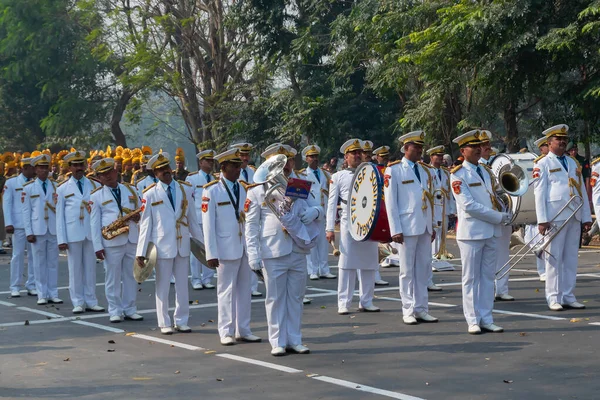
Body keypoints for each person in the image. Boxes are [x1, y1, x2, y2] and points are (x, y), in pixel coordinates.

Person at [245, 143, 321, 356]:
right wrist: (253, 255)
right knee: (276, 298)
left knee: (296, 297)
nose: (286, 166)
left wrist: (315, 212)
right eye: (281, 162)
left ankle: (295, 339)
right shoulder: (258, 191)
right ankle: (277, 341)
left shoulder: (300, 184)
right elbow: (250, 226)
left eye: (289, 162)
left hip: (298, 246)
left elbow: (318, 206)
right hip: (273, 249)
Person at [451, 130, 511, 334]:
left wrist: (506, 211)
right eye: (473, 146)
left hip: (491, 231)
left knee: (487, 277)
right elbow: (469, 205)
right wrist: (498, 217)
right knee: (470, 278)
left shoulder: (486, 171)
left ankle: (486, 317)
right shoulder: (458, 175)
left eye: (479, 146)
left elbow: (494, 197)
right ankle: (472, 319)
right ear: (463, 150)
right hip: (471, 233)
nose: (478, 149)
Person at [136, 152, 203, 334]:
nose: (165, 172)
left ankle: (181, 320)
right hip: (162, 246)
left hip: (182, 244)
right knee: (163, 285)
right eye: (160, 170)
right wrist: (141, 252)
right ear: (155, 174)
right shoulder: (150, 194)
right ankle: (164, 322)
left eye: (166, 168)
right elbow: (145, 225)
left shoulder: (185, 189)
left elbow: (193, 220)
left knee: (182, 285)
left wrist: (203, 247)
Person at [203, 148, 261, 346]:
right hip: (225, 247)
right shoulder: (212, 190)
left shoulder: (245, 188)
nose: (239, 169)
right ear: (223, 167)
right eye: (234, 166)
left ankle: (243, 329)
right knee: (226, 291)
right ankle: (225, 331)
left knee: (245, 290)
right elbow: (208, 225)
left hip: (245, 245)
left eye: (239, 165)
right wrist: (211, 253)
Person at [534, 124, 592, 311]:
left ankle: (568, 295)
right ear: (549, 143)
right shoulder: (542, 163)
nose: (562, 142)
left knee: (570, 258)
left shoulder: (573, 162)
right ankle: (553, 297)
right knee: (553, 259)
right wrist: (542, 219)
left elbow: (581, 190)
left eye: (564, 139)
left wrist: (586, 217)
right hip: (555, 216)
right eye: (558, 139)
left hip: (573, 215)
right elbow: (539, 193)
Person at [384, 131, 438, 325]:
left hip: (423, 226)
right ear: (406, 149)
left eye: (421, 148)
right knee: (406, 271)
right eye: (416, 148)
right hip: (405, 227)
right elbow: (391, 202)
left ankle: (422, 308)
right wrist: (395, 229)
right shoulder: (394, 170)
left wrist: (432, 225)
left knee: (423, 269)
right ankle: (408, 309)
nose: (419, 151)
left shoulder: (425, 170)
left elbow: (430, 199)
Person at [326, 139, 380, 315]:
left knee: (370, 262)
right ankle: (344, 302)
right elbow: (332, 203)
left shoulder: (371, 172)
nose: (357, 156)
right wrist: (329, 228)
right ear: (346, 157)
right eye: (353, 154)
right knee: (347, 263)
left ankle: (366, 300)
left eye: (359, 153)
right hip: (349, 220)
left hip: (370, 220)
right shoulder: (338, 176)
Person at [90, 158, 143, 323]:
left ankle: (130, 308)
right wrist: (97, 246)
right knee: (112, 277)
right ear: (98, 178)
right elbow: (94, 223)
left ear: (115, 172)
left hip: (132, 237)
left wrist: (138, 217)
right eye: (102, 174)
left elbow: (142, 210)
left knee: (131, 275)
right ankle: (115, 310)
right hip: (111, 240)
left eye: (109, 172)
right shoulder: (96, 196)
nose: (107, 176)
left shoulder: (132, 190)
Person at [56, 150, 104, 314]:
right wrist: (61, 238)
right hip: (72, 231)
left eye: (81, 165)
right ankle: (77, 301)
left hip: (90, 231)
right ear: (69, 167)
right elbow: (59, 216)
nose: (78, 168)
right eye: (75, 165)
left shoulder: (95, 185)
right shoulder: (62, 189)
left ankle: (91, 300)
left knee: (90, 268)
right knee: (75, 269)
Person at [22, 154, 62, 305]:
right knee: (39, 263)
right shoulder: (29, 188)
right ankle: (41, 294)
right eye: (40, 168)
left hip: (52, 229)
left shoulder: (56, 186)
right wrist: (29, 232)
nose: (43, 171)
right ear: (35, 170)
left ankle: (53, 292)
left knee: (53, 262)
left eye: (45, 168)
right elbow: (26, 211)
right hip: (37, 229)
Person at [298, 145, 336, 281]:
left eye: (316, 156)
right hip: (310, 212)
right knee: (311, 242)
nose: (314, 159)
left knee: (323, 242)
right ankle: (312, 269)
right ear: (306, 159)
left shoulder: (326, 174)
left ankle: (324, 269)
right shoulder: (301, 175)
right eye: (311, 157)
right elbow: (300, 196)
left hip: (324, 211)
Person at [230, 142, 262, 297]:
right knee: (239, 252)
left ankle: (253, 286)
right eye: (242, 155)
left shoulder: (255, 172)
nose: (244, 158)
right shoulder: (234, 174)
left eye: (246, 155)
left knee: (253, 249)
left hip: (254, 213)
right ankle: (241, 285)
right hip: (240, 215)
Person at [3, 156, 36, 297]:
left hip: (34, 224)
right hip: (18, 225)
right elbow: (7, 203)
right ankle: (15, 286)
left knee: (34, 256)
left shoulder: (36, 183)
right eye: (33, 168)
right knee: (17, 256)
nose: (35, 170)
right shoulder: (11, 183)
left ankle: (32, 284)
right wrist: (8, 222)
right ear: (25, 168)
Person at [185, 150, 218, 290]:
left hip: (213, 218)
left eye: (212, 161)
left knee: (211, 248)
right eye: (207, 160)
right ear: (201, 162)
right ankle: (196, 279)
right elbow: (188, 200)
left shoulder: (216, 178)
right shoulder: (192, 179)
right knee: (198, 249)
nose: (210, 163)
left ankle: (208, 278)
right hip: (198, 218)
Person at [426, 145, 454, 291]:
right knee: (433, 234)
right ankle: (433, 257)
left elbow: (449, 192)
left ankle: (439, 256)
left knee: (442, 233)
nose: (439, 158)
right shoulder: (427, 171)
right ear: (431, 157)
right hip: (432, 207)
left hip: (443, 206)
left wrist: (451, 210)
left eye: (441, 156)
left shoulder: (445, 172)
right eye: (437, 156)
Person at [524, 136, 550, 281]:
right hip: (539, 208)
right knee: (540, 242)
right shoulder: (539, 164)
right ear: (542, 149)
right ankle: (542, 271)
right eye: (546, 145)